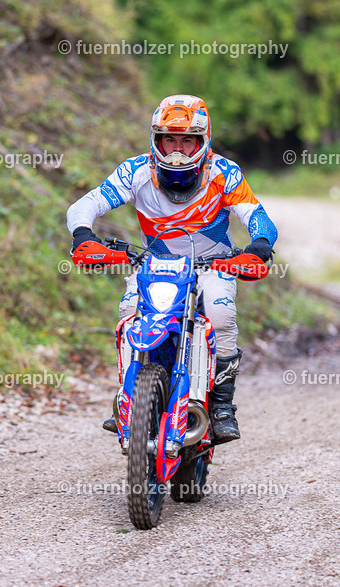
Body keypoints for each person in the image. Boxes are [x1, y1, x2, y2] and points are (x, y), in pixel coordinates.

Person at [66, 94, 277, 443]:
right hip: (155, 265)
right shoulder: (136, 171)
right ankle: (127, 396)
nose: (177, 150)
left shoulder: (224, 172)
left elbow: (258, 217)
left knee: (221, 315)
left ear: (203, 141)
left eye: (187, 140)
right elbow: (85, 204)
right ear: (156, 140)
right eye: (169, 139)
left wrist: (258, 247)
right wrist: (84, 235)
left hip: (213, 266)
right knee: (129, 309)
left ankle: (223, 406)